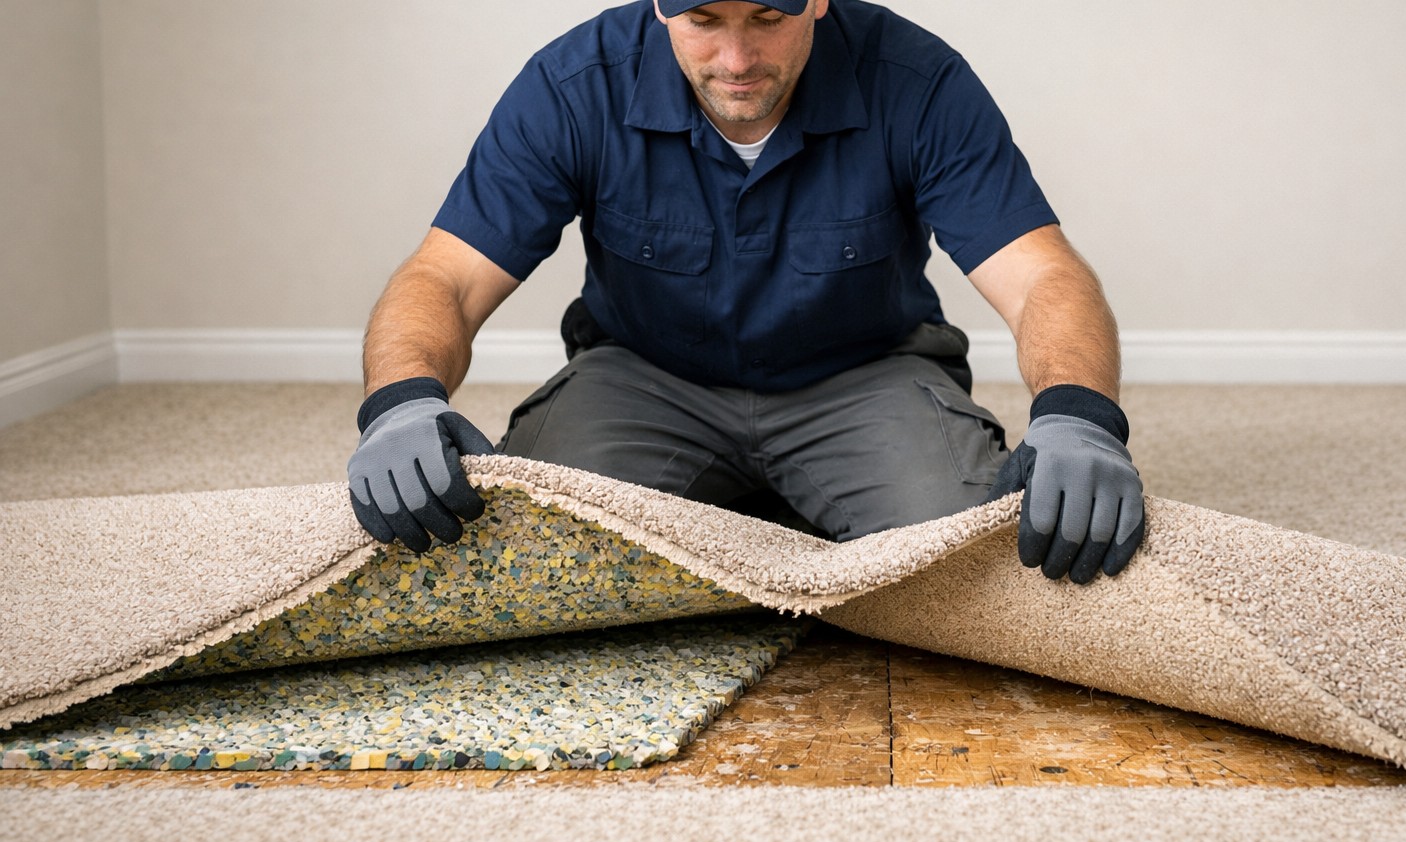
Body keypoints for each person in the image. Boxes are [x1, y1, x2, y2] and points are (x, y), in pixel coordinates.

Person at [347, 0, 1145, 584]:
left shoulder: (918, 80)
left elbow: (1043, 274)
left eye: (768, 16)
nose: (735, 59)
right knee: (528, 561)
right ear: (660, 9)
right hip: (646, 376)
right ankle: (775, 512)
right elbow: (443, 276)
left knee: (973, 566)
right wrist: (402, 402)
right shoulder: (571, 85)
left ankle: (761, 509)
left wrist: (1079, 414)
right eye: (702, 19)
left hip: (863, 374)